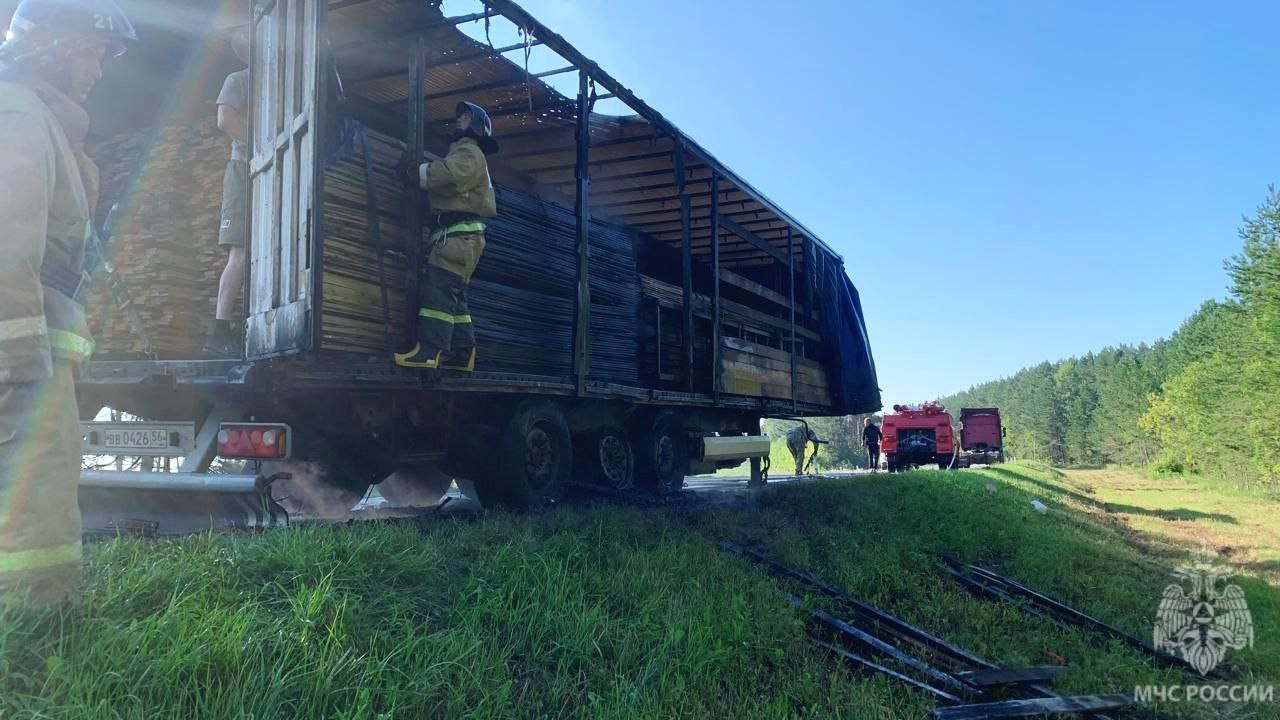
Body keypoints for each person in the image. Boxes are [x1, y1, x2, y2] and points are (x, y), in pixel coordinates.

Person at [0, 0, 135, 606]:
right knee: (34, 494)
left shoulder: (38, 117)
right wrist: (13, 355)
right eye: (93, 49)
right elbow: (6, 238)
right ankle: (35, 626)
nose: (100, 69)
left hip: (37, 347)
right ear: (53, 44)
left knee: (40, 486)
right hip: (22, 351)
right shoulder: (17, 112)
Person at [395, 100, 498, 370]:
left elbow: (448, 175)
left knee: (438, 295)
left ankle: (429, 352)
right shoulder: (466, 152)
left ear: (476, 126)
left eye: (464, 117)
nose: (458, 120)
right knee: (455, 298)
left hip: (457, 238)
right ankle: (464, 355)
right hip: (462, 240)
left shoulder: (469, 153)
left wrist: (415, 172)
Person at [204, 27, 250, 357]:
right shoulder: (238, 79)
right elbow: (225, 119)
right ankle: (219, 331)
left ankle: (249, 324)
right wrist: (261, 145)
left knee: (263, 255)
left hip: (272, 173)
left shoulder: (281, 82)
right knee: (241, 252)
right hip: (244, 170)